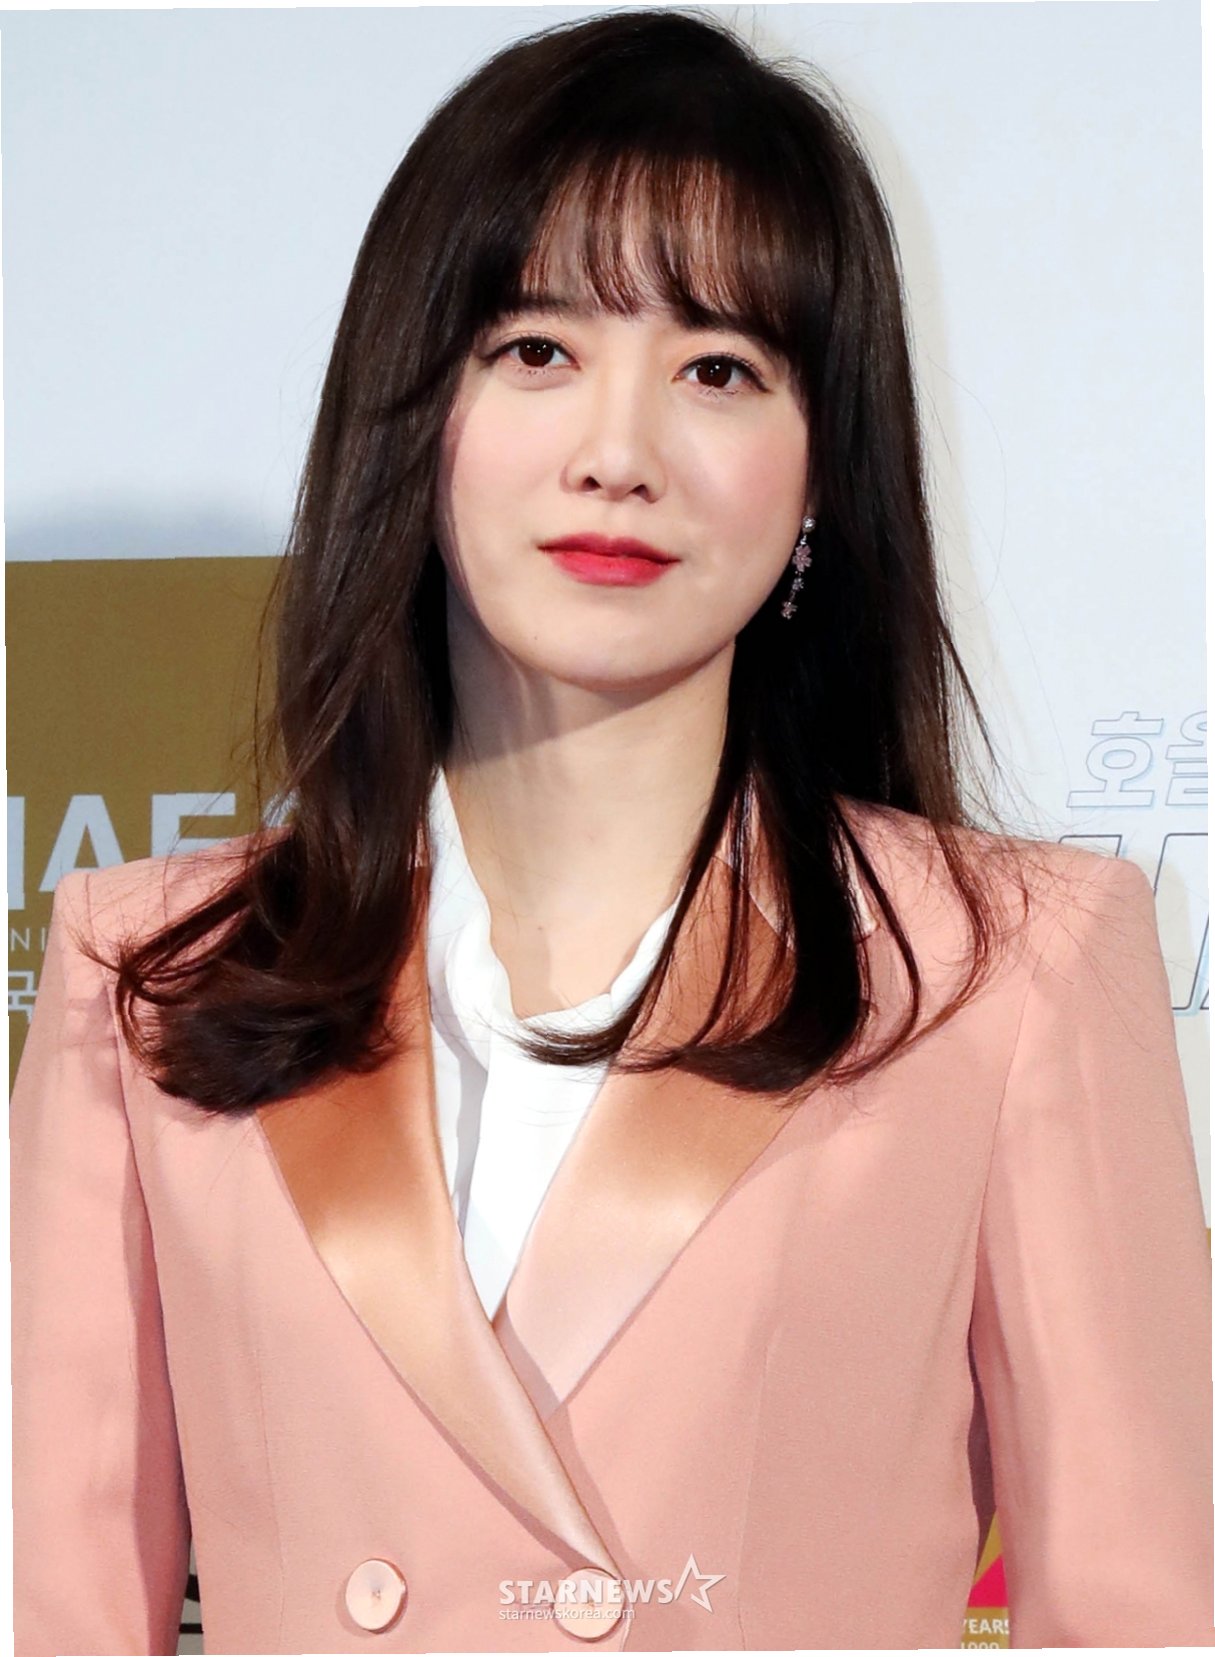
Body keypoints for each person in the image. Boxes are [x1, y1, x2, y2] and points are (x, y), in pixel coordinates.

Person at [11, 8, 1212, 1654]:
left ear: (820, 475)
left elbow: (1137, 1615)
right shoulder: (150, 976)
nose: (620, 454)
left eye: (719, 369)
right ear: (414, 417)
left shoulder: (1012, 970)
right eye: (537, 351)